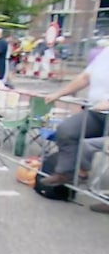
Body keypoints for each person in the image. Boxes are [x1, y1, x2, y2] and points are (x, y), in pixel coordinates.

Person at [41, 47, 109, 199]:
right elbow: (85, 77)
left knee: (93, 146)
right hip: (96, 112)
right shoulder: (105, 53)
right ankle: (65, 173)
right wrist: (58, 93)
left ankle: (87, 177)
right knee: (66, 130)